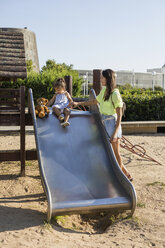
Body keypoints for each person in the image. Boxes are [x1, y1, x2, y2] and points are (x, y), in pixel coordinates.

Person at [73, 69, 133, 181]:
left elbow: (119, 114)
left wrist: (115, 132)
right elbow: (95, 101)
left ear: (108, 78)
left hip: (113, 124)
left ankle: (118, 178)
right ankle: (126, 174)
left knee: (116, 153)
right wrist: (78, 103)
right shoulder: (105, 90)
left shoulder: (115, 93)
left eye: (102, 77)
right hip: (105, 123)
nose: (100, 79)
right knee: (108, 151)